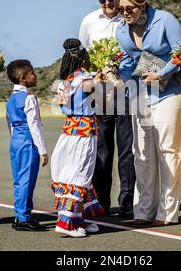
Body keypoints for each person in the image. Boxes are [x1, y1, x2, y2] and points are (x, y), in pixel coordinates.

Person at [116, 0, 181, 226]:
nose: (125, 13)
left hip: (170, 90)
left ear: (143, 4)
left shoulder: (165, 20)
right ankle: (144, 211)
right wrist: (113, 74)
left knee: (168, 150)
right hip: (140, 92)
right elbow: (129, 63)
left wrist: (162, 73)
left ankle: (167, 213)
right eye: (120, 9)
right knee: (142, 154)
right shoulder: (121, 30)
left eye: (129, 8)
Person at [79, 0, 136, 217]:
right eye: (102, 0)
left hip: (126, 90)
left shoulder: (130, 18)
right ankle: (100, 202)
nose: (107, 3)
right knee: (101, 151)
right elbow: (83, 58)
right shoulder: (89, 21)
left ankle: (126, 201)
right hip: (100, 93)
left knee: (127, 150)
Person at [51, 38, 104, 238]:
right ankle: (65, 222)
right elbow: (97, 91)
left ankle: (78, 218)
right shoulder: (85, 79)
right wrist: (104, 75)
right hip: (83, 134)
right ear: (83, 58)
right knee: (79, 173)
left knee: (73, 171)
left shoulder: (65, 81)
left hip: (69, 131)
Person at [6, 60, 48, 231]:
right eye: (33, 73)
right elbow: (35, 126)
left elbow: (9, 123)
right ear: (23, 78)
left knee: (18, 179)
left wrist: (15, 137)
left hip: (15, 140)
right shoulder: (29, 98)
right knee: (27, 179)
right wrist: (43, 150)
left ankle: (21, 214)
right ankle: (23, 217)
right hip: (27, 141)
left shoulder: (11, 99)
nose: (35, 76)